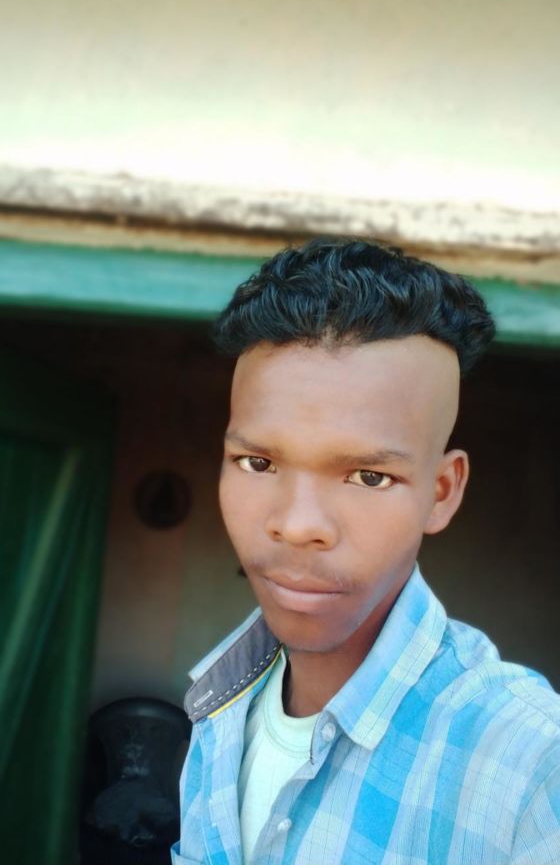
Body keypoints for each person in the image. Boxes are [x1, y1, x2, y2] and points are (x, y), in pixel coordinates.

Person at [171, 238, 560, 865]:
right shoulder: (219, 704)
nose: (298, 525)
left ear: (441, 492)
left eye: (369, 476)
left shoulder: (531, 767)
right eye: (258, 463)